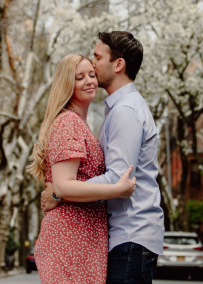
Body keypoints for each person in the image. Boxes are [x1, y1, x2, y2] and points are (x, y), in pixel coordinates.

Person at [42, 31, 165, 284]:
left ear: (118, 64)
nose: (93, 66)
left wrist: (58, 193)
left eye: (97, 59)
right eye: (81, 75)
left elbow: (118, 179)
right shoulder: (107, 113)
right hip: (114, 236)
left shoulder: (125, 112)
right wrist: (60, 189)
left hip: (130, 233)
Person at [28, 53, 137, 284]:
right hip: (69, 238)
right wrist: (118, 189)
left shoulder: (78, 123)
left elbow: (59, 186)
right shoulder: (68, 122)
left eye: (91, 75)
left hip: (83, 238)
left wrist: (57, 193)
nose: (89, 81)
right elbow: (63, 185)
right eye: (79, 77)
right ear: (67, 84)